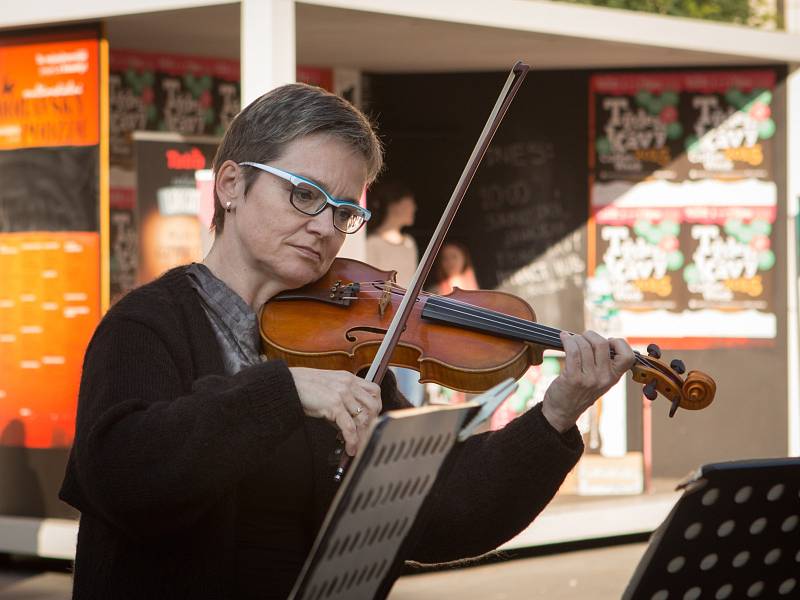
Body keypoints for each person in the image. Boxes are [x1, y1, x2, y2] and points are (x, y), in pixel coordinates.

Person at [59, 83, 635, 600]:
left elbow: (438, 510)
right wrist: (283, 390)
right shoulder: (146, 325)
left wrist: (555, 416)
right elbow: (124, 475)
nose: (325, 228)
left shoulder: (350, 349)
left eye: (343, 212)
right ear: (232, 184)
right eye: (305, 195)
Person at [365, 181, 424, 405]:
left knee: (412, 396)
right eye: (410, 204)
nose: (414, 209)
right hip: (383, 328)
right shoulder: (373, 244)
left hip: (411, 328)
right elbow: (371, 290)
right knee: (390, 394)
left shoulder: (409, 243)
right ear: (396, 205)